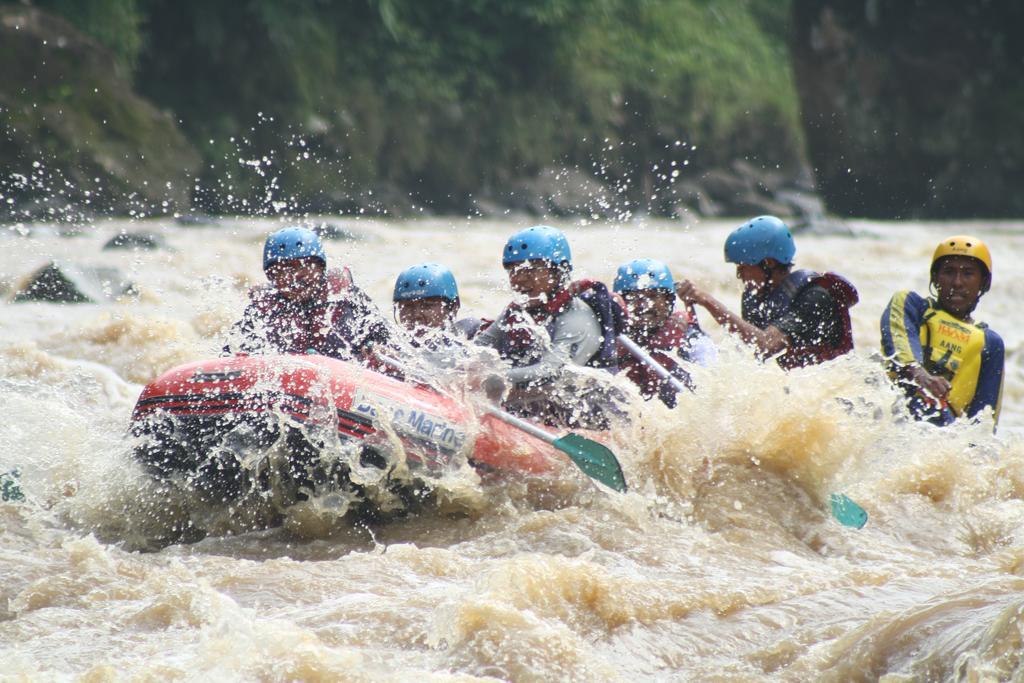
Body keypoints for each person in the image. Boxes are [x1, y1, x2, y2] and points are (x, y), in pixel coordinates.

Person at [475, 225, 625, 428]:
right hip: (533, 407)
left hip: (586, 417)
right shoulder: (518, 311)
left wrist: (493, 378)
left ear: (559, 271)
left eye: (531, 269)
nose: (519, 278)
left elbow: (551, 371)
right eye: (513, 269)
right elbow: (478, 347)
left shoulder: (577, 317)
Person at [676, 215, 858, 369]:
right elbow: (754, 356)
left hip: (829, 390)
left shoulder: (814, 297)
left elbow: (765, 345)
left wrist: (707, 301)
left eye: (744, 266)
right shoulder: (754, 298)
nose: (739, 275)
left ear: (769, 263)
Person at [880, 235, 1004, 427]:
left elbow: (985, 420)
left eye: (968, 273)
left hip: (943, 428)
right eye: (948, 272)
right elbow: (897, 341)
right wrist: (921, 375)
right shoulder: (911, 305)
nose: (957, 283)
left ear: (982, 283)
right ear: (936, 278)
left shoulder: (991, 343)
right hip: (897, 407)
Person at [224, 227, 394, 364]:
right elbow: (231, 353)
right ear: (271, 277)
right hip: (289, 385)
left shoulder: (347, 297)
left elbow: (390, 341)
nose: (295, 277)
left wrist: (378, 350)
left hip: (346, 378)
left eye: (304, 266)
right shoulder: (261, 311)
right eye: (283, 270)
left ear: (321, 268)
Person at [614, 258, 715, 407]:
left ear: (668, 301)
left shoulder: (694, 342)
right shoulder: (610, 339)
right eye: (634, 298)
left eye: (654, 296)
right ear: (621, 303)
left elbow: (714, 393)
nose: (645, 305)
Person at [393, 263, 481, 342]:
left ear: (453, 306)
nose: (416, 315)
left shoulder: (474, 337)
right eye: (407, 306)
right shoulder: (395, 345)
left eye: (427, 306)